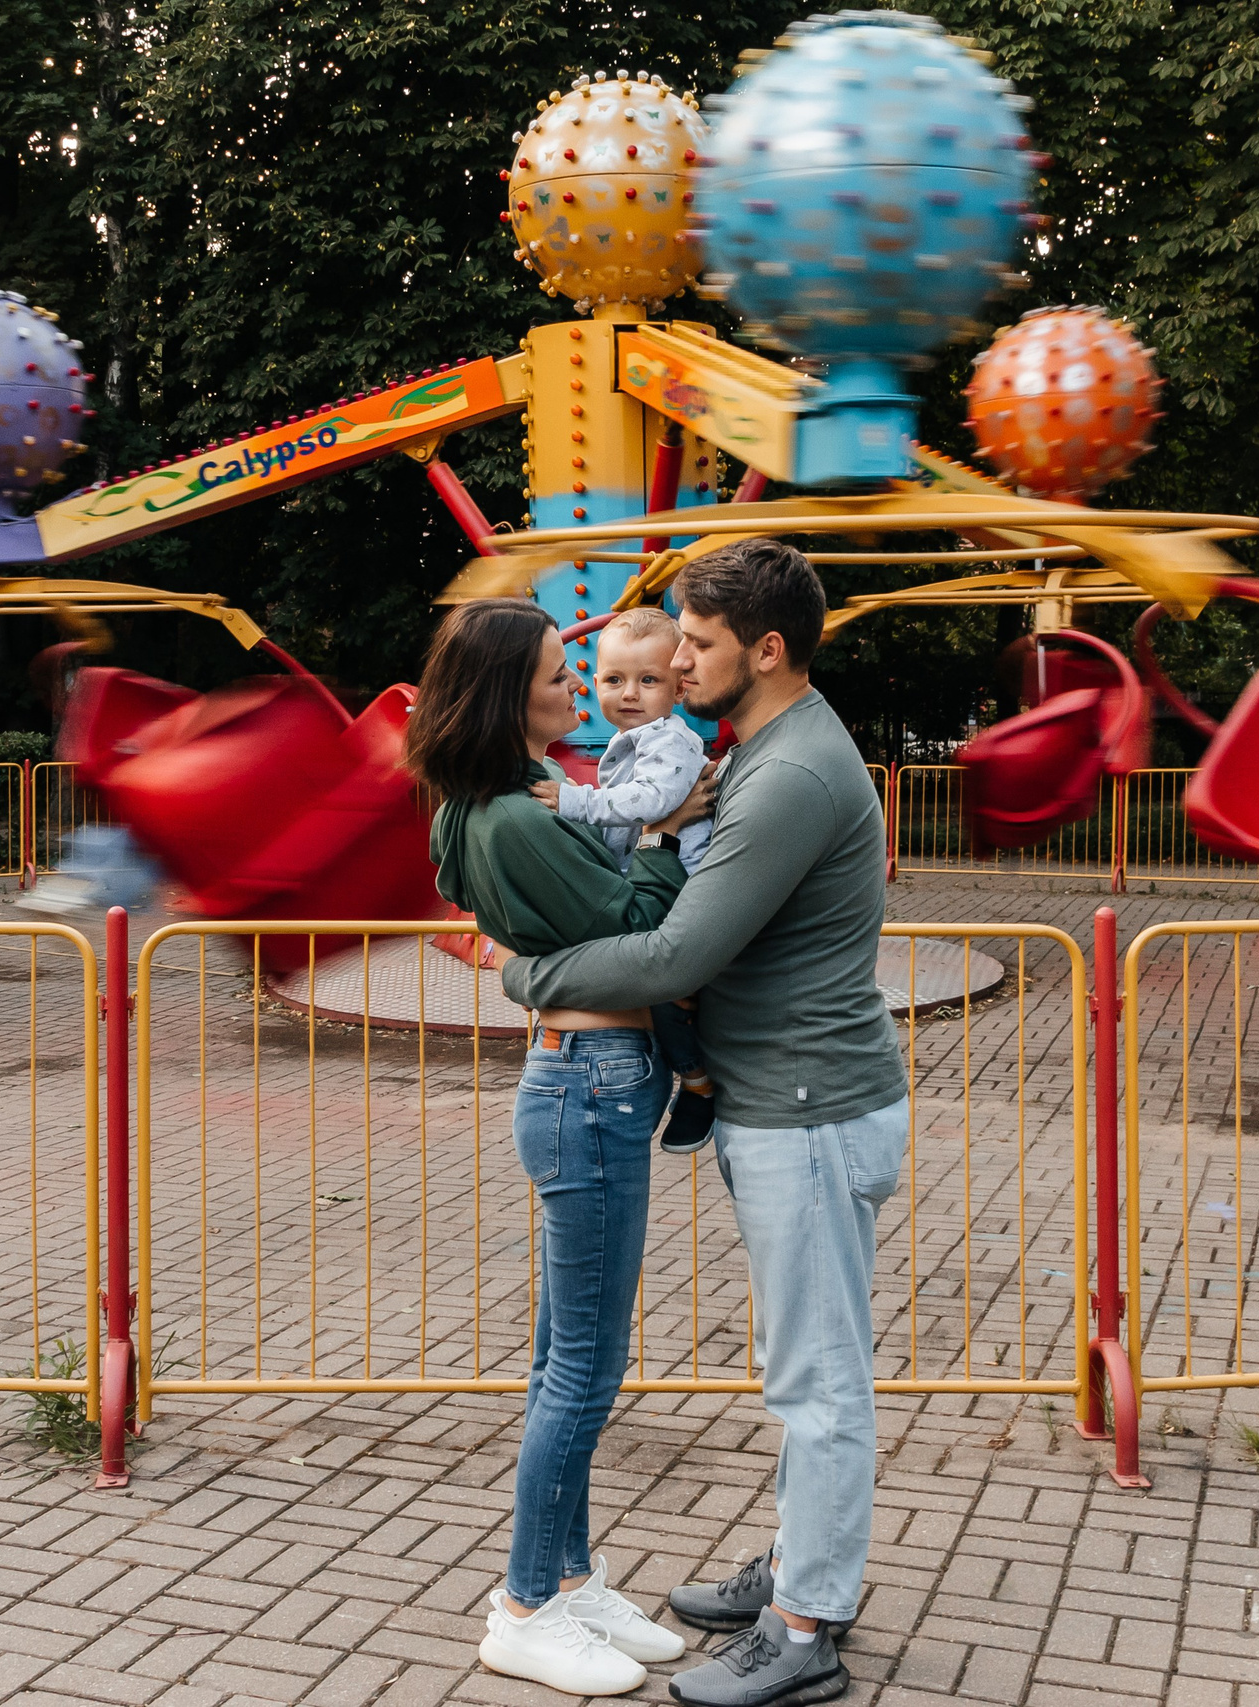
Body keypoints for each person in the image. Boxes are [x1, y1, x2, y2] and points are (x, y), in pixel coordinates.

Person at [500, 539, 908, 1707]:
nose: (675, 662)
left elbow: (681, 951)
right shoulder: (766, 749)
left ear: (764, 651)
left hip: (806, 1107)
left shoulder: (787, 776)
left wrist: (533, 975)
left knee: (816, 1381)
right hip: (789, 1101)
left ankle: (805, 1624)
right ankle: (797, 1564)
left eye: (697, 643)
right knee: (801, 1364)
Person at [406, 597, 714, 1698]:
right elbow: (643, 932)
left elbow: (475, 899)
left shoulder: (482, 806)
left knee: (564, 1358)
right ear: (505, 693)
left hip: (584, 1074)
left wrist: (537, 956)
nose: (576, 688)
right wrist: (669, 837)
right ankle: (526, 1604)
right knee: (583, 1368)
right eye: (555, 674)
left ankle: (570, 1578)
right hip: (595, 1079)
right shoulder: (519, 817)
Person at [527, 605, 721, 1154]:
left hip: (680, 883)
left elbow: (653, 801)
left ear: (678, 688)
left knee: (666, 996)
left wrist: (576, 801)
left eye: (648, 680)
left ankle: (699, 1081)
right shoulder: (632, 741)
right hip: (654, 875)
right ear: (596, 684)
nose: (629, 693)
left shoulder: (668, 740)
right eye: (614, 679)